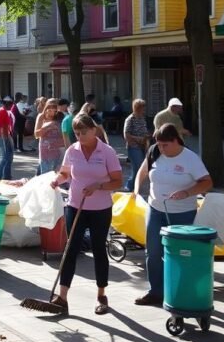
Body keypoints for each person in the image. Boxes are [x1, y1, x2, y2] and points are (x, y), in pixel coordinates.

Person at [47, 114, 122, 315]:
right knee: (70, 249)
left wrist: (99, 186)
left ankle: (101, 295)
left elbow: (117, 181)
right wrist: (57, 180)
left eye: (83, 132)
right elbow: (65, 173)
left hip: (100, 209)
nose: (79, 136)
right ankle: (62, 297)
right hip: (75, 206)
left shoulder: (107, 151)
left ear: (94, 130)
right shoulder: (72, 150)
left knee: (98, 250)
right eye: (77, 133)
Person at [132, 124, 212, 306]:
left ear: (176, 141)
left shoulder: (190, 158)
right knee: (152, 252)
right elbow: (143, 171)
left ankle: (181, 290)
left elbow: (207, 182)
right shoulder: (154, 152)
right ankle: (156, 291)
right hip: (155, 209)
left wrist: (187, 192)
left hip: (182, 214)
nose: (161, 148)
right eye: (158, 144)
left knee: (180, 254)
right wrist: (136, 188)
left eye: (165, 145)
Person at [122, 99, 150, 191]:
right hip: (134, 147)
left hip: (143, 146)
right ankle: (130, 186)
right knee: (137, 167)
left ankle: (134, 187)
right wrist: (138, 139)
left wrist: (146, 139)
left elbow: (144, 131)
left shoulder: (142, 118)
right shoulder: (130, 119)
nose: (144, 110)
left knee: (140, 167)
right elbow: (126, 134)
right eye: (142, 108)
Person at [34, 99, 65, 176]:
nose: (52, 113)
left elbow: (63, 134)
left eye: (54, 110)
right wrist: (48, 126)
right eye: (50, 110)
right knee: (45, 174)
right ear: (46, 108)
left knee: (56, 174)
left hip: (58, 149)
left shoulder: (60, 116)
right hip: (45, 151)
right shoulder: (41, 116)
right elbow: (36, 135)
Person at [0, 97, 15, 180]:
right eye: (11, 104)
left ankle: (7, 175)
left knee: (9, 156)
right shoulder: (2, 111)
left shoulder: (3, 110)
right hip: (3, 136)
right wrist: (6, 140)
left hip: (6, 135)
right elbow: (3, 127)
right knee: (6, 157)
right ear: (7, 104)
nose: (11, 107)